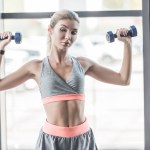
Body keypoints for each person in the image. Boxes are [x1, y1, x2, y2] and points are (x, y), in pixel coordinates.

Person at [0, 9, 132, 150]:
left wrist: (127, 44)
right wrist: (1, 48)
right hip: (51, 142)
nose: (68, 36)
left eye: (74, 32)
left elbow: (123, 79)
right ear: (50, 30)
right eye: (63, 30)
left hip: (83, 140)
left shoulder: (83, 64)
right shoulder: (36, 67)